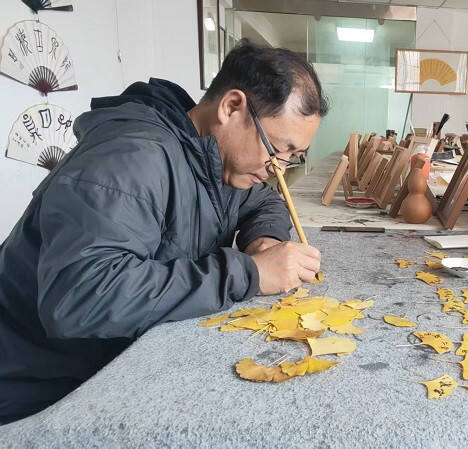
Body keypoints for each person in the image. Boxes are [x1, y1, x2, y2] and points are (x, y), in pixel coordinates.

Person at [0, 40, 327, 424]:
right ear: (231, 107)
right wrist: (249, 273)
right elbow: (79, 297)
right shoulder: (131, 156)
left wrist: (264, 241)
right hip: (38, 392)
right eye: (277, 149)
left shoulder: (213, 157)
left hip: (113, 368)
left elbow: (264, 202)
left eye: (291, 157)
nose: (279, 169)